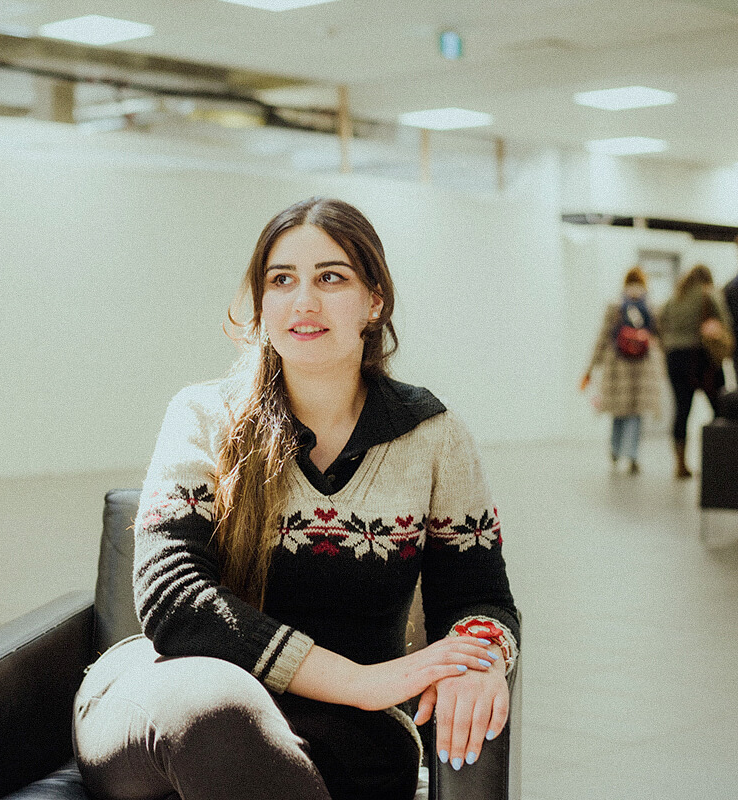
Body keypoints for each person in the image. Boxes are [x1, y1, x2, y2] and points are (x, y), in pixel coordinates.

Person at [72, 198, 519, 800]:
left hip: (343, 735)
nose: (303, 301)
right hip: (167, 699)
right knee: (217, 711)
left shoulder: (432, 436)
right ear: (260, 302)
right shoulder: (204, 415)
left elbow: (482, 598)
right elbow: (175, 601)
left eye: (331, 278)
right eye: (281, 280)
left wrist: (478, 657)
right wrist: (363, 682)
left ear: (374, 300)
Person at [579, 266, 662, 474]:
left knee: (619, 412)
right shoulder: (651, 307)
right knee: (635, 413)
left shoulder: (615, 306)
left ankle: (615, 451)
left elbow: (603, 338)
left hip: (618, 366)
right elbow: (658, 338)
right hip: (642, 368)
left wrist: (591, 368)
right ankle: (632, 455)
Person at [658, 263, 734, 478]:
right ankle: (719, 463)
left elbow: (659, 323)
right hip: (701, 357)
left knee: (682, 409)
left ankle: (680, 465)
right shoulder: (708, 294)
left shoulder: (674, 299)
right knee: (721, 407)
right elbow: (724, 322)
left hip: (675, 357)